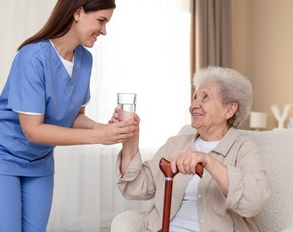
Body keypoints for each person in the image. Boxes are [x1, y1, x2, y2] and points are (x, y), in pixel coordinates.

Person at [0, 0, 138, 232]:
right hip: (1, 154)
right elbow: (33, 130)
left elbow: (72, 116)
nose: (104, 30)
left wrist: (102, 128)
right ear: (78, 12)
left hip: (39, 159)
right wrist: (98, 137)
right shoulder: (32, 57)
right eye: (101, 21)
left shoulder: (85, 60)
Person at [115, 66, 270, 231]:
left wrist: (208, 161)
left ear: (229, 110)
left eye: (205, 98)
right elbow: (136, 188)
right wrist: (129, 139)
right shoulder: (175, 144)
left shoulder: (244, 148)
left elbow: (254, 201)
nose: (194, 105)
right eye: (195, 98)